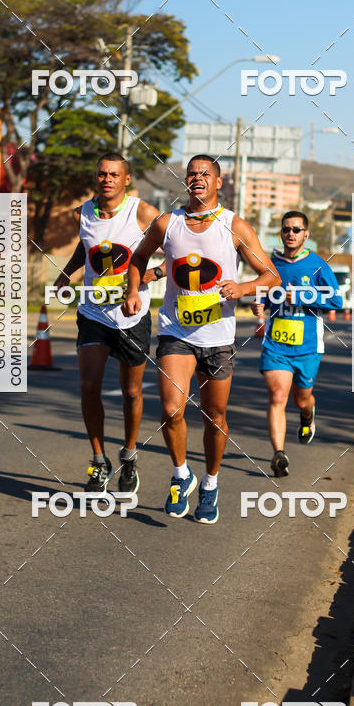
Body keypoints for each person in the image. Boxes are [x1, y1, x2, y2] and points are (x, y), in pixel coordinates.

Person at [123, 154, 279, 524]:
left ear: (218, 182)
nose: (197, 179)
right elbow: (137, 258)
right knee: (171, 409)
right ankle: (181, 475)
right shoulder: (168, 222)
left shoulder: (234, 226)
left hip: (218, 336)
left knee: (215, 416)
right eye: (191, 174)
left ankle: (210, 483)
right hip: (176, 331)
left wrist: (242, 287)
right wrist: (133, 291)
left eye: (204, 174)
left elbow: (270, 274)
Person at [53, 152, 165, 496]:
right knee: (89, 386)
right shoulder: (82, 213)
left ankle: (129, 455)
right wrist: (66, 274)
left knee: (132, 391)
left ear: (126, 179)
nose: (107, 179)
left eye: (114, 174)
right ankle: (99, 460)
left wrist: (153, 274)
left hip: (132, 316)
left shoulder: (142, 212)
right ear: (95, 177)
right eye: (102, 174)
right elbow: (87, 251)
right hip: (93, 313)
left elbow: (175, 246)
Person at [251, 211, 343, 477]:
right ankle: (278, 454)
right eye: (286, 229)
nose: (290, 233)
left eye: (296, 229)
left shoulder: (317, 265)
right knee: (277, 396)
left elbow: (336, 300)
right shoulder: (271, 264)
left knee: (301, 399)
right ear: (281, 233)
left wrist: (302, 295)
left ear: (306, 234)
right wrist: (260, 304)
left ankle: (307, 414)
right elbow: (265, 295)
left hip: (308, 346)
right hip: (276, 344)